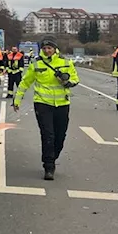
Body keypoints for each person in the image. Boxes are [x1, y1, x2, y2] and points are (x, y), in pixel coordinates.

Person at [13, 37, 79, 180]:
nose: (47, 50)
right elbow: (25, 82)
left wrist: (67, 81)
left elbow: (75, 79)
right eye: (44, 48)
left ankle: (53, 156)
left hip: (62, 104)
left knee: (60, 136)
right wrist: (17, 100)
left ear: (55, 48)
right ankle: (49, 166)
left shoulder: (66, 62)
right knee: (48, 135)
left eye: (49, 48)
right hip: (42, 104)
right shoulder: (36, 63)